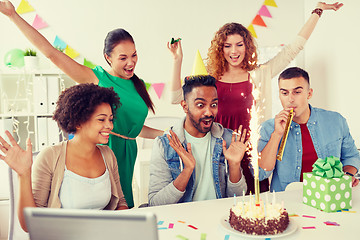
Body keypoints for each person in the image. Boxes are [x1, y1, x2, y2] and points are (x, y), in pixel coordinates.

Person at [167, 2, 343, 195]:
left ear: (247, 46)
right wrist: (177, 60)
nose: (234, 51)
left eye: (239, 45)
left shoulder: (260, 74)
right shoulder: (210, 78)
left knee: (252, 206)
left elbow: (294, 48)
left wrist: (317, 11)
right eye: (228, 46)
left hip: (250, 151)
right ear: (220, 49)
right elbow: (176, 97)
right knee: (216, 199)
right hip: (216, 148)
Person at [0, 0, 163, 208]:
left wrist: (168, 132)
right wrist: (13, 15)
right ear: (108, 58)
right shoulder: (97, 78)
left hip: (126, 152)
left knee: (121, 205)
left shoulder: (137, 85)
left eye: (134, 55)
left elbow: (134, 129)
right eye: (123, 57)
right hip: (102, 146)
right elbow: (51, 53)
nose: (130, 62)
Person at [0, 84, 129, 232]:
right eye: (101, 120)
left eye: (111, 119)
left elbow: (121, 202)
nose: (109, 126)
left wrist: (122, 226)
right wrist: (23, 174)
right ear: (78, 122)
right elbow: (30, 224)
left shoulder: (108, 154)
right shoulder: (50, 156)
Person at [148, 75, 247, 206]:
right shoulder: (164, 144)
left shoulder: (227, 139)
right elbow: (156, 203)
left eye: (214, 105)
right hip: (182, 221)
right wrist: (187, 170)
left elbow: (239, 199)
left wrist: (234, 165)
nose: (209, 112)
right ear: (185, 106)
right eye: (200, 105)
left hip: (219, 216)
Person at [257, 67, 360, 192]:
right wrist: (277, 134)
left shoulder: (336, 121)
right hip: (287, 201)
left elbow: (352, 156)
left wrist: (347, 176)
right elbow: (262, 173)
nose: (290, 99)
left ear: (309, 94)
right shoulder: (268, 128)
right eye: (285, 93)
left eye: (297, 92)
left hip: (329, 196)